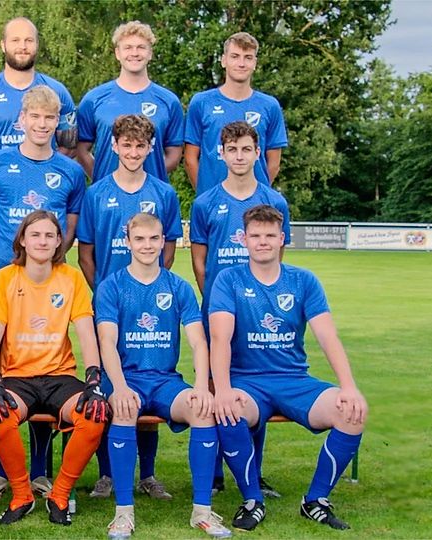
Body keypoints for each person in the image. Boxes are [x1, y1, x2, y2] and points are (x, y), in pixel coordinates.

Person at [210, 205, 366, 531]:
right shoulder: (229, 280)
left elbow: (327, 335)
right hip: (248, 383)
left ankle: (315, 500)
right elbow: (220, 339)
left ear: (282, 238)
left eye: (270, 235)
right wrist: (222, 390)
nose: (263, 242)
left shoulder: (303, 280)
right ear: (243, 239)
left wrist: (349, 386)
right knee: (228, 411)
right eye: (256, 235)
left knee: (351, 413)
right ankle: (253, 500)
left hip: (295, 380)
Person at [0, 84, 85, 500]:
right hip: (4, 279)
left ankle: (40, 471)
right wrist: (13, 266)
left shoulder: (70, 171)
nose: (41, 124)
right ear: (21, 120)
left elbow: (68, 229)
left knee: (46, 364)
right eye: (34, 117)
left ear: (57, 122)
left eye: (49, 118)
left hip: (47, 281)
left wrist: (45, 264)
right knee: (4, 371)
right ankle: (1, 472)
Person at [96, 212, 231, 539]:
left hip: (165, 381)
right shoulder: (111, 286)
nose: (147, 246)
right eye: (140, 239)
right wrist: (119, 388)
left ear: (163, 242)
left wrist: (202, 387)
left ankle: (202, 512)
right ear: (128, 242)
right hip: (126, 378)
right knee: (125, 409)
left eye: (154, 239)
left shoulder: (178, 286)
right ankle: (123, 513)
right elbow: (107, 342)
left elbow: (199, 341)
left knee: (202, 410)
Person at [77, 114, 182, 500]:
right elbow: (85, 253)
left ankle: (148, 474)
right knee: (111, 386)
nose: (133, 152)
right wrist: (108, 295)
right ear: (114, 146)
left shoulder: (164, 193)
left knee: (151, 377)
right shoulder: (96, 193)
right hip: (110, 306)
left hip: (152, 306)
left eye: (140, 146)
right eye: (127, 145)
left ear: (150, 148)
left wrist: (148, 292)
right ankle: (107, 474)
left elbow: (168, 250)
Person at [0, 210, 109, 526]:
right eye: (35, 235)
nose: (42, 241)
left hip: (59, 377)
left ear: (58, 242)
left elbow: (86, 333)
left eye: (49, 235)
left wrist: (93, 379)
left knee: (94, 415)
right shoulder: (5, 278)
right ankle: (22, 495)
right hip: (17, 377)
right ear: (23, 240)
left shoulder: (71, 278)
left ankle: (60, 494)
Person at [190, 121, 290, 496]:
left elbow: (277, 259)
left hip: (258, 314)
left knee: (254, 386)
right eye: (232, 149)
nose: (239, 156)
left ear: (257, 153)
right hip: (219, 311)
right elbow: (200, 261)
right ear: (221, 154)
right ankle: (215, 473)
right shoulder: (205, 203)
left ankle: (254, 472)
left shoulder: (274, 202)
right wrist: (217, 302)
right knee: (216, 385)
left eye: (246, 149)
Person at [0, 15, 76, 313]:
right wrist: (6, 177)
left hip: (45, 196)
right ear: (3, 45)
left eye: (29, 40)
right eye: (16, 40)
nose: (22, 46)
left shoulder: (58, 92)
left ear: (37, 45)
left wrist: (39, 174)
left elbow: (68, 145)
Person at [76, 21, 184, 184]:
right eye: (128, 47)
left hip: (152, 196)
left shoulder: (169, 101)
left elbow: (174, 153)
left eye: (141, 47)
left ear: (150, 53)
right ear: (117, 53)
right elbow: (81, 149)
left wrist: (149, 180)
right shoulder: (94, 99)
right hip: (107, 195)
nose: (134, 53)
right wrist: (102, 180)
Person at [184, 32, 287, 196]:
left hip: (256, 204)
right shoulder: (201, 102)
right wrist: (207, 196)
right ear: (223, 60)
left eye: (248, 57)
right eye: (235, 56)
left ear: (255, 63)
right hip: (213, 201)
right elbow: (190, 159)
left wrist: (255, 195)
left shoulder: (270, 106)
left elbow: (273, 163)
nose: (241, 63)